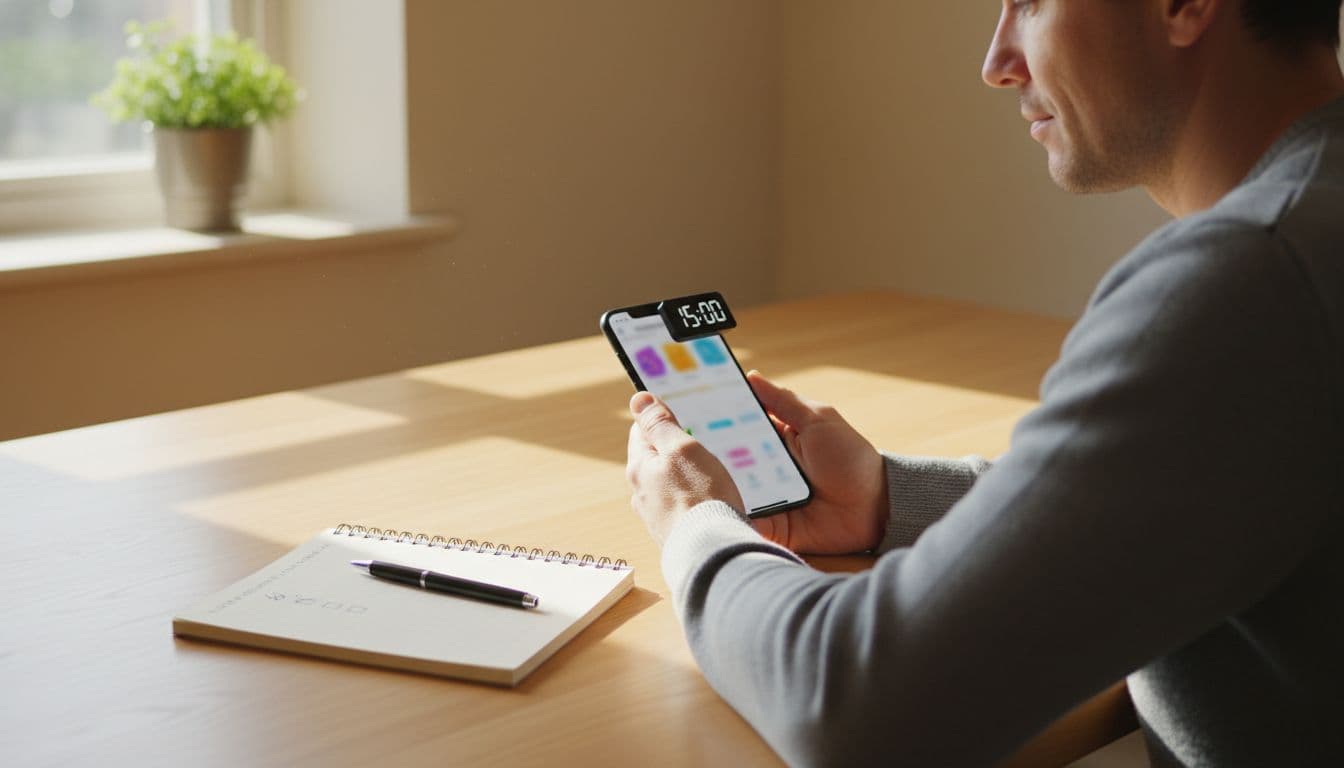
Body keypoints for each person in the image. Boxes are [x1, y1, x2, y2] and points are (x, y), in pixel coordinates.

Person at [623, 1, 1344, 766]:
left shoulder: (1249, 283)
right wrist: (890, 496)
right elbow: (1208, 492)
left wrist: (699, 525)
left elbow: (856, 707)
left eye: (1030, 3)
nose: (998, 61)